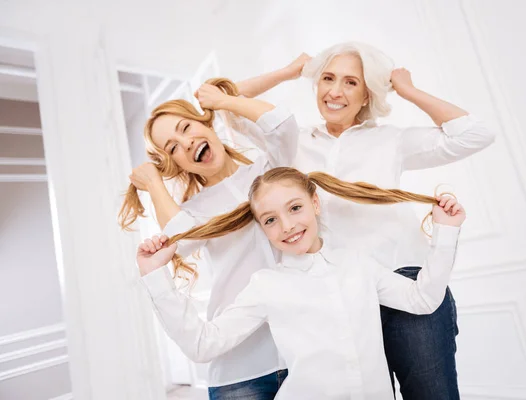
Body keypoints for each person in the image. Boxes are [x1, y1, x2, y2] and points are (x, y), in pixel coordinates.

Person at [235, 42, 496, 399]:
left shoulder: (392, 140)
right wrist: (289, 71)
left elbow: (475, 134)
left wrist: (408, 90)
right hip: (338, 292)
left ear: (367, 94)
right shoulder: (293, 142)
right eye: (327, 78)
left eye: (350, 82)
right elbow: (228, 104)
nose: (335, 91)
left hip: (406, 280)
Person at [138, 167, 465, 400]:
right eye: (270, 220)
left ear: (315, 203)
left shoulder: (357, 263)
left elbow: (422, 299)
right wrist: (156, 275)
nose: (287, 226)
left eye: (295, 208)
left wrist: (446, 233)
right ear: (262, 228)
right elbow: (203, 345)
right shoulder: (266, 285)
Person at [119, 78, 298, 399]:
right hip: (240, 369)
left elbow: (282, 126)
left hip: (302, 352)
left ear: (206, 122)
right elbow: (181, 240)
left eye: (186, 128)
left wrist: (223, 102)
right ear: (174, 163)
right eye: (172, 147)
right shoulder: (193, 212)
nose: (185, 143)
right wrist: (154, 184)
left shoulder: (270, 170)